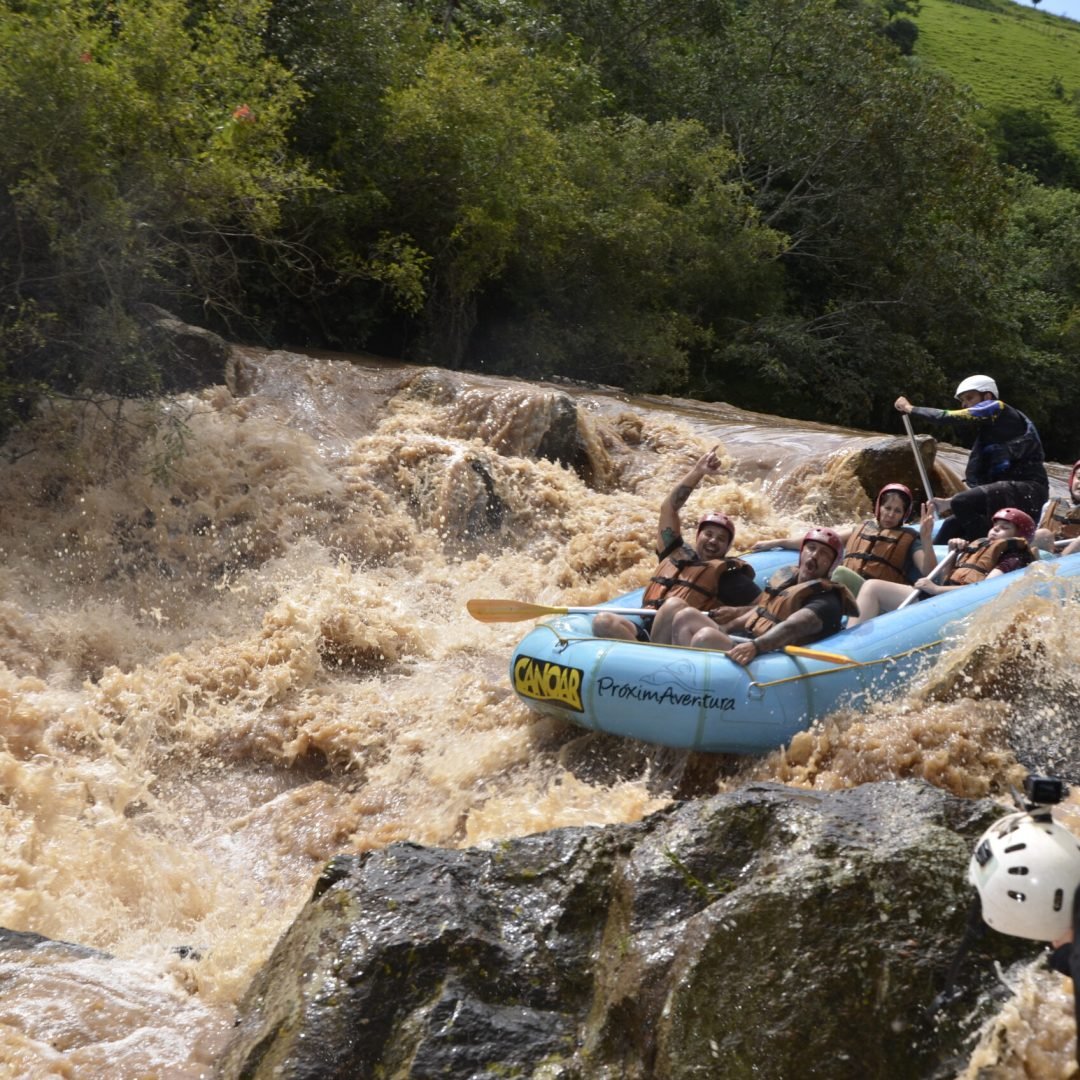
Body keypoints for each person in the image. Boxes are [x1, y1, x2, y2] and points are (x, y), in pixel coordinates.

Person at [592, 447, 761, 644]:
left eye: (721, 539)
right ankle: (638, 661)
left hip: (681, 639)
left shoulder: (730, 577)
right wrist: (698, 472)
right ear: (698, 536)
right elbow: (669, 508)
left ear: (727, 547)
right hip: (647, 632)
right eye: (708, 534)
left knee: (673, 605)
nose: (713, 540)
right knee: (603, 622)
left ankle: (654, 661)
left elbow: (767, 608)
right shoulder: (674, 552)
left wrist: (736, 611)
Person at [665, 527, 858, 664]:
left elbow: (792, 627)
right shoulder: (788, 578)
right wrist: (726, 628)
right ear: (802, 552)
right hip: (753, 642)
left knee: (705, 636)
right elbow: (764, 610)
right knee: (685, 616)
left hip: (774, 658)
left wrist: (755, 647)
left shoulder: (826, 599)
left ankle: (689, 685)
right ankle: (676, 672)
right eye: (811, 548)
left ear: (832, 564)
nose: (814, 556)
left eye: (824, 553)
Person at [895, 375, 1048, 543]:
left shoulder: (997, 408)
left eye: (969, 398)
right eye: (962, 400)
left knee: (961, 502)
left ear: (987, 396)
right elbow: (993, 487)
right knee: (952, 523)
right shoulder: (989, 435)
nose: (964, 404)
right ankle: (933, 562)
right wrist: (948, 502)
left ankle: (984, 548)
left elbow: (946, 417)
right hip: (1009, 492)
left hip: (1030, 490)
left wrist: (910, 408)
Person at [848, 506, 1036, 624]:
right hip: (946, 599)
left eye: (1005, 528)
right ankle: (850, 636)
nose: (996, 530)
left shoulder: (1013, 557)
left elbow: (985, 590)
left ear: (1019, 536)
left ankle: (851, 646)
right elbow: (950, 578)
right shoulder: (981, 546)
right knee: (872, 588)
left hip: (958, 607)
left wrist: (936, 590)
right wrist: (952, 555)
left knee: (873, 587)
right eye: (995, 526)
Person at [751, 483, 933, 597]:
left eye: (897, 511)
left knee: (839, 573)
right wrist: (778, 542)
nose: (890, 514)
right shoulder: (863, 527)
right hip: (845, 589)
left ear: (904, 514)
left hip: (874, 593)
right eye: (887, 508)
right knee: (806, 569)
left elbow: (929, 571)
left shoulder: (910, 538)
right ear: (879, 507)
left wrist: (926, 539)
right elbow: (824, 539)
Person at [1034, 458, 1080, 555]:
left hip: (1074, 562)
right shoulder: (1050, 505)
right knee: (1041, 534)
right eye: (1079, 477)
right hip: (1047, 559)